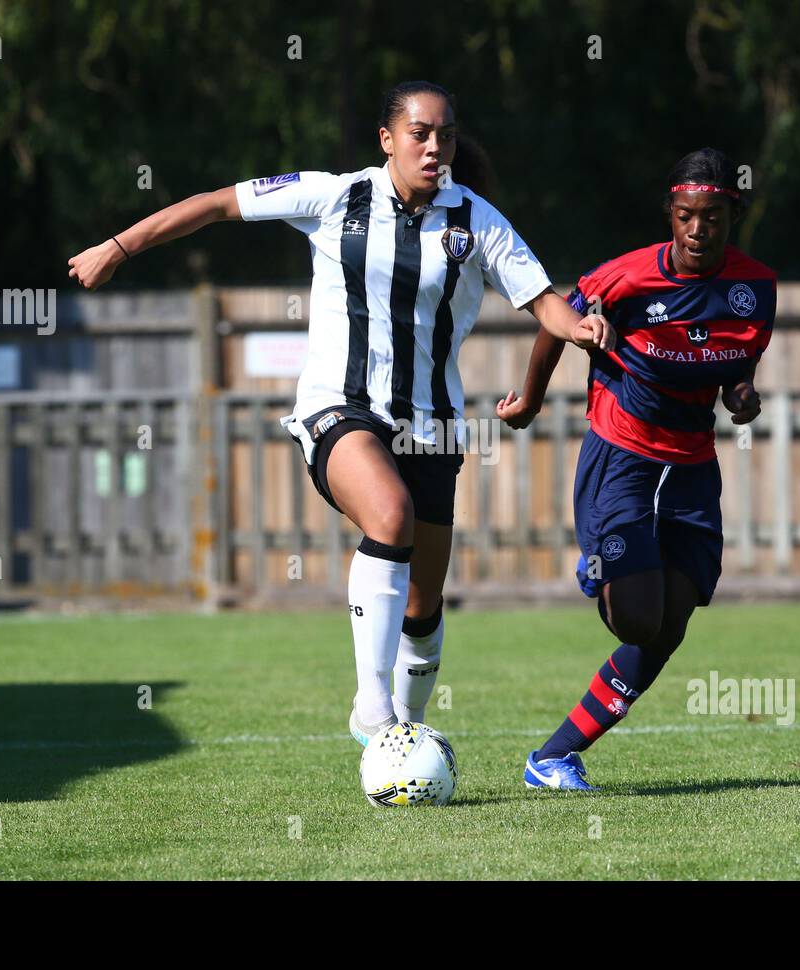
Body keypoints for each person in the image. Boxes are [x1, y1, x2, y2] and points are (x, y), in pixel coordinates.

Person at [67, 80, 613, 752]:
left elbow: (544, 302)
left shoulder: (477, 220)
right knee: (389, 516)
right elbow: (215, 205)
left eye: (444, 133)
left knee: (424, 605)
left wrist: (581, 328)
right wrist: (117, 248)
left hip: (433, 427)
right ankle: (374, 709)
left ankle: (404, 734)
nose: (434, 145)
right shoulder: (333, 195)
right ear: (387, 139)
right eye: (419, 132)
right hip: (339, 406)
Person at [496, 147, 776, 790]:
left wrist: (740, 396)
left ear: (731, 213)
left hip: (692, 466)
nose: (698, 230)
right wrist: (532, 399)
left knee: (667, 628)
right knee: (635, 618)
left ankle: (554, 757)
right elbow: (553, 322)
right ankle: (600, 559)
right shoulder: (624, 278)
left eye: (711, 217)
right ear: (670, 215)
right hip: (621, 455)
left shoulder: (755, 286)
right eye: (685, 216)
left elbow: (738, 360)